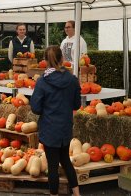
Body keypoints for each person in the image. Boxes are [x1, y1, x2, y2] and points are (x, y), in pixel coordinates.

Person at [30, 45, 81, 196]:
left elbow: (36, 108)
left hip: (49, 128)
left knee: (52, 166)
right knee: (66, 161)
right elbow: (77, 105)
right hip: (65, 127)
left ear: (45, 61)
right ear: (62, 59)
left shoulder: (42, 82)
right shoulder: (72, 80)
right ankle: (77, 194)